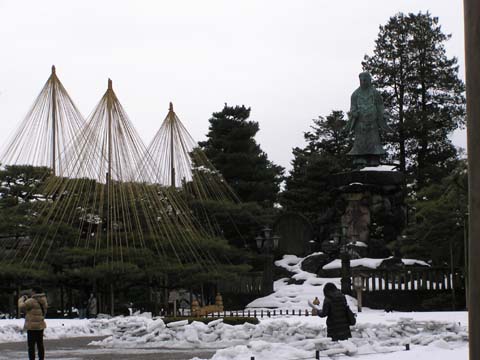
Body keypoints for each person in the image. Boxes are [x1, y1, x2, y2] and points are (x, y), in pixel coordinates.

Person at [344, 71, 389, 167]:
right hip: (360, 121)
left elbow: (380, 105)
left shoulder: (375, 93)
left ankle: (374, 157)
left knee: (373, 139)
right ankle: (360, 157)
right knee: (360, 140)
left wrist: (383, 114)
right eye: (361, 80)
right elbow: (353, 107)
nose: (363, 82)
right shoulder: (355, 94)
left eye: (365, 80)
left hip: (372, 120)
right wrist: (354, 112)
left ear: (369, 80)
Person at [18, 286, 48, 360]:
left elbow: (22, 307)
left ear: (34, 292)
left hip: (32, 326)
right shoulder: (43, 299)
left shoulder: (31, 301)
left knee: (31, 346)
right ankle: (41, 358)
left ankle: (32, 359)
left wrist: (21, 300)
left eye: (32, 291)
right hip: (40, 325)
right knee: (40, 344)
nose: (31, 293)